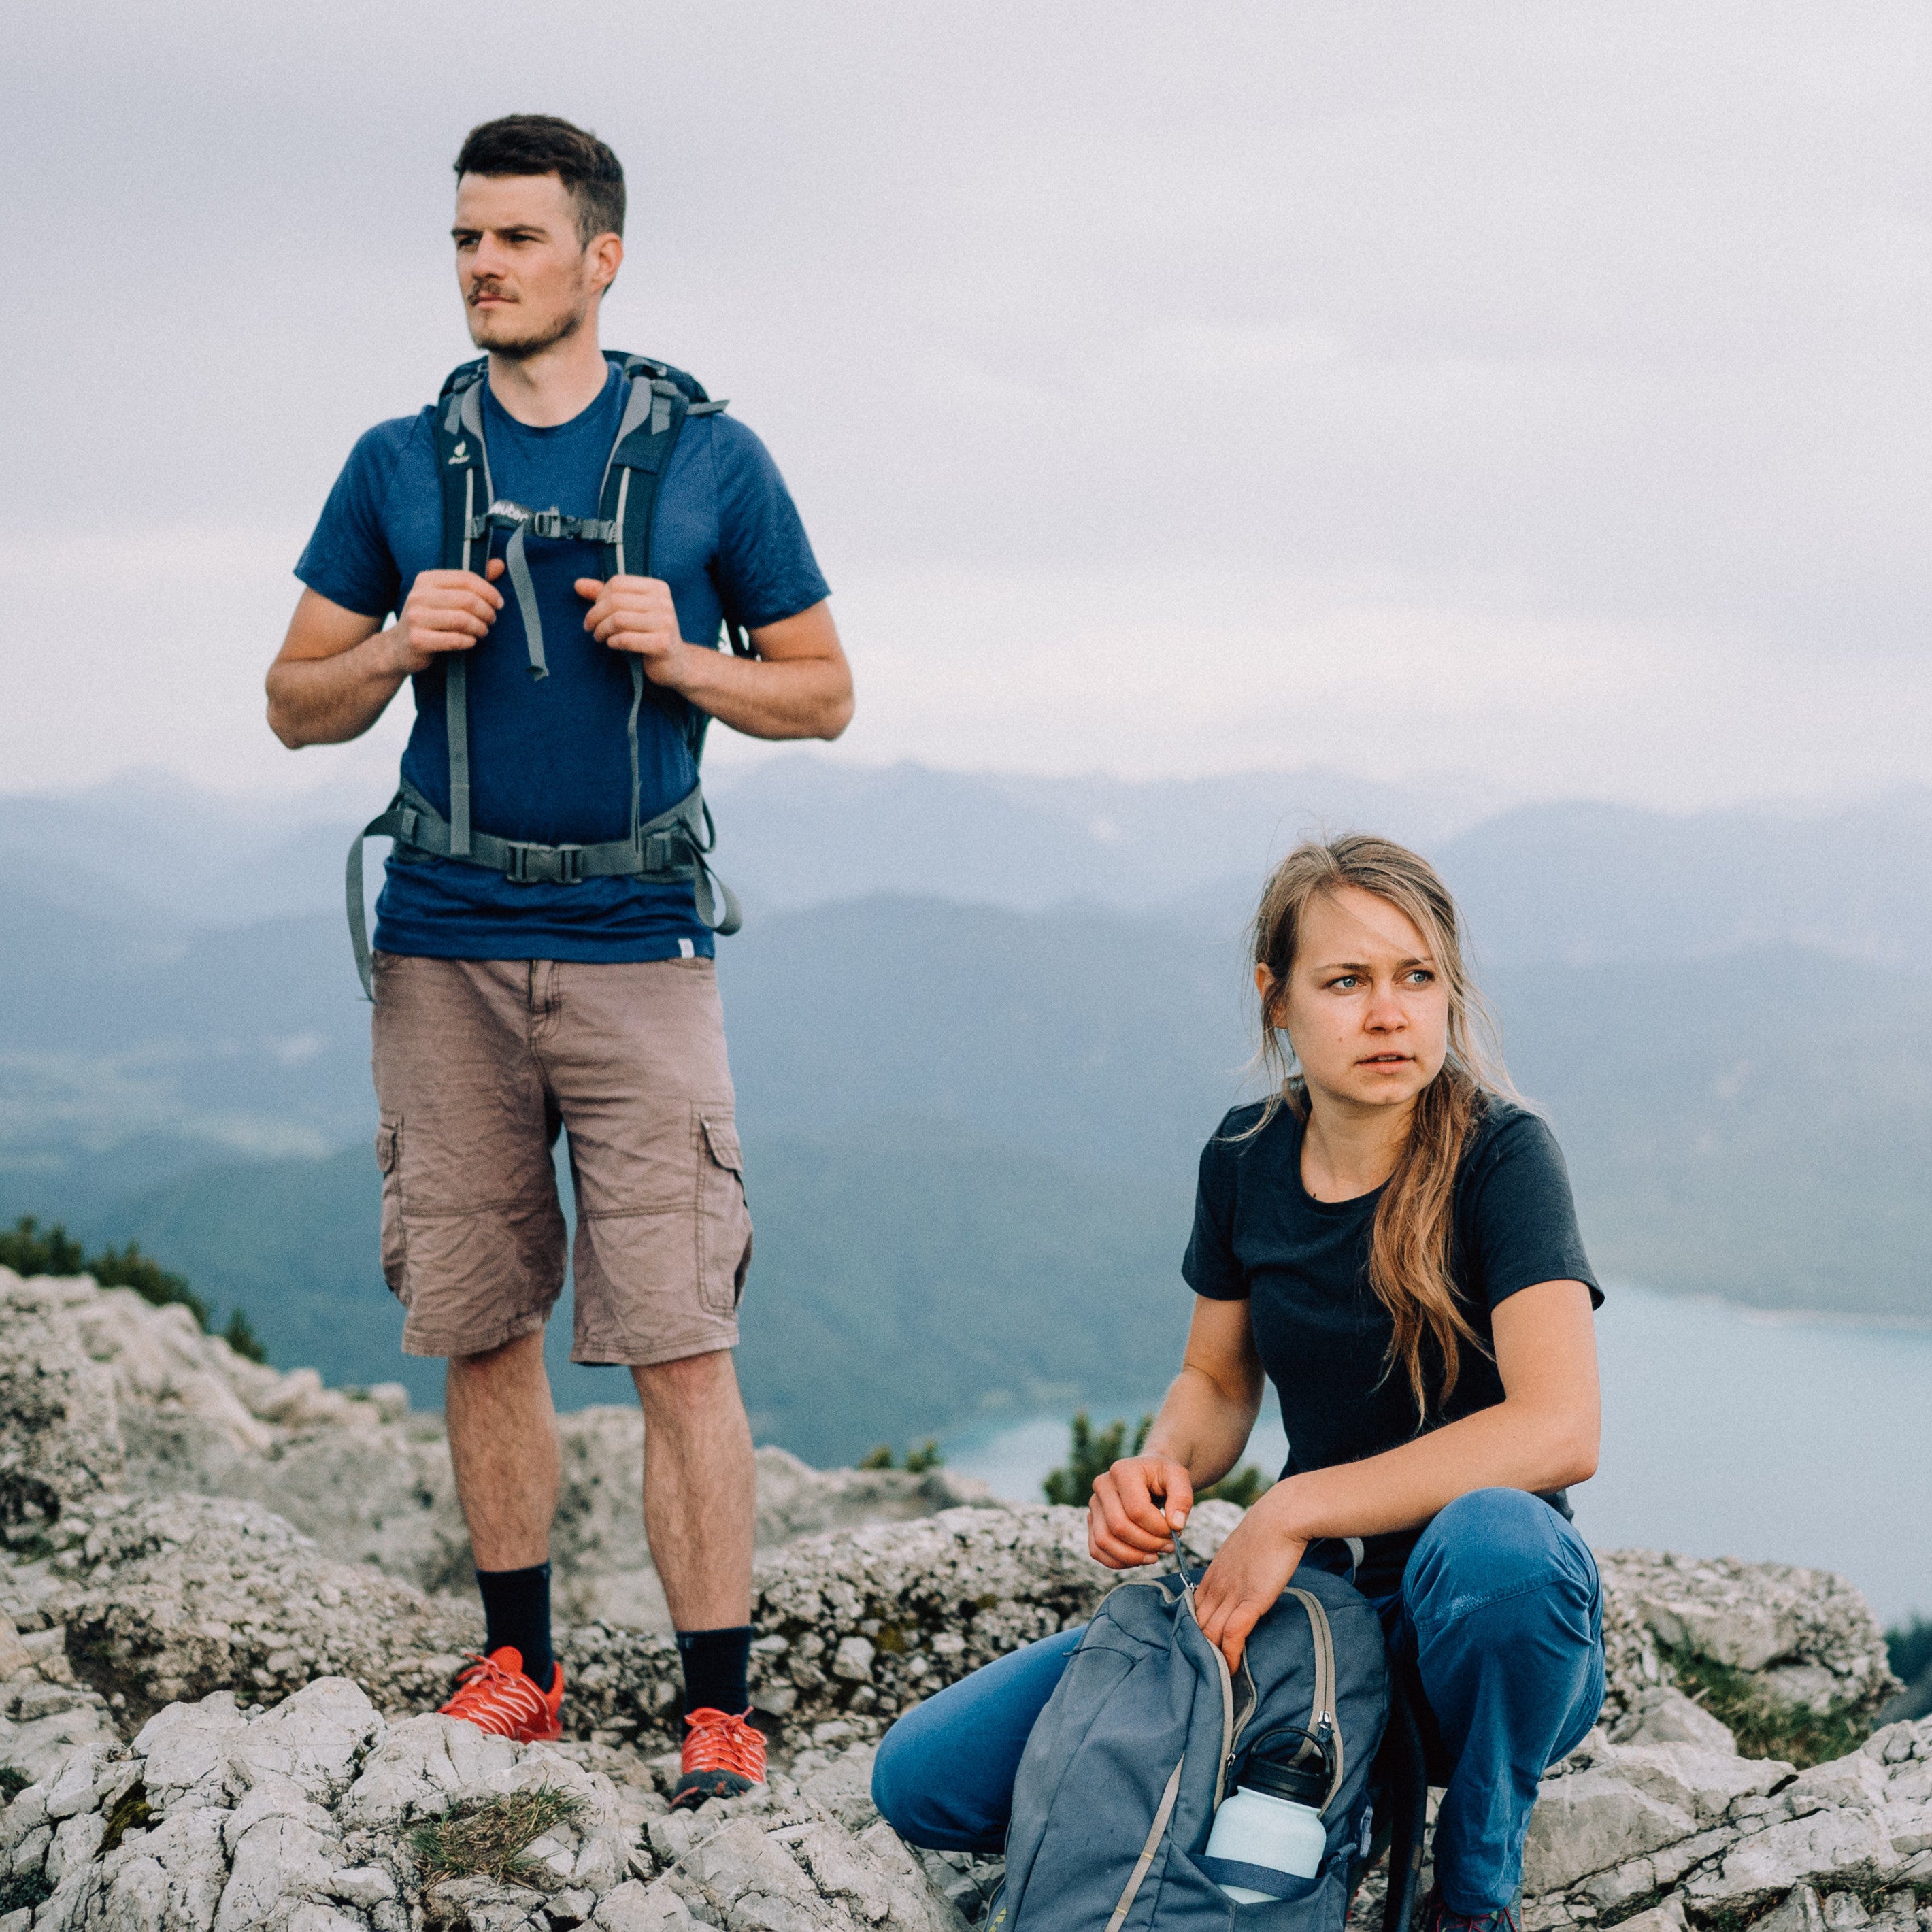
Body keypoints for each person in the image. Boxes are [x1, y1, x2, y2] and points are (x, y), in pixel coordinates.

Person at [265, 114, 852, 1805]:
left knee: (678, 1335)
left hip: (638, 941)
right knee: (480, 1319)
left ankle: (715, 1709)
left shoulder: (713, 463)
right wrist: (392, 644)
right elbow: (294, 701)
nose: (481, 268)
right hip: (441, 942)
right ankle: (519, 1666)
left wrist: (695, 655)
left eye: (514, 240)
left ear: (601, 260)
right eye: (464, 241)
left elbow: (822, 689)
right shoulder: (397, 463)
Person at [872, 835, 1605, 1931]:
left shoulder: (1504, 1157)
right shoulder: (1246, 1157)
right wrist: (1161, 1467)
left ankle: (1474, 1881)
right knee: (924, 1780)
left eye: (1417, 978)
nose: (1390, 1013)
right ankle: (1333, 1784)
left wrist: (1297, 1503)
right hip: (1313, 1622)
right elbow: (1215, 1379)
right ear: (1277, 999)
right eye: (1346, 982)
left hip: (1478, 1641)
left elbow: (1560, 1428)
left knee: (1501, 1541)